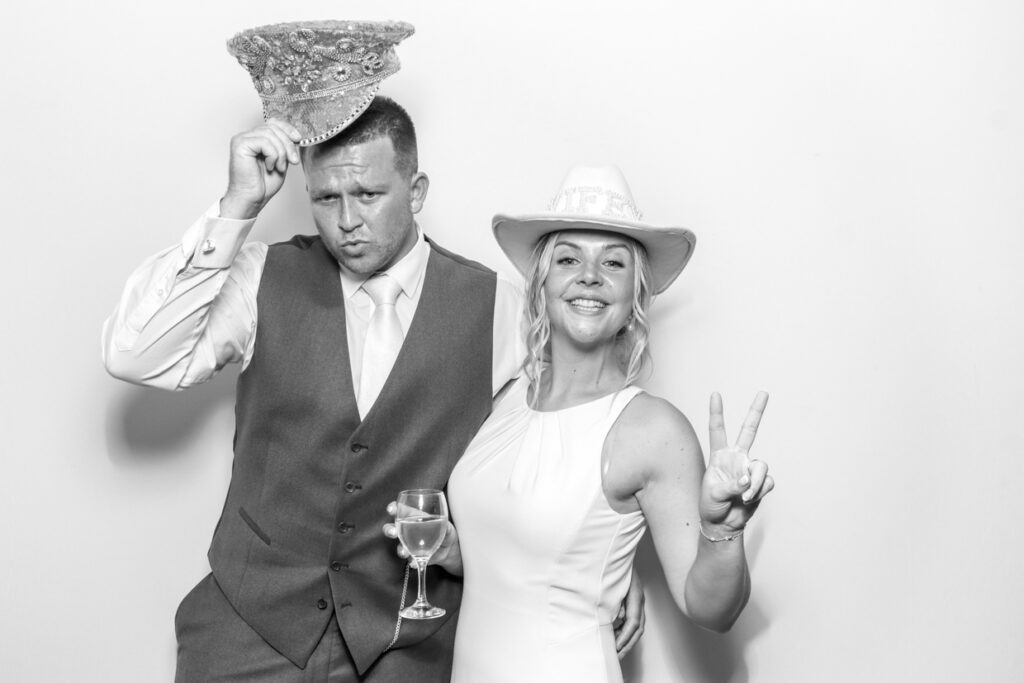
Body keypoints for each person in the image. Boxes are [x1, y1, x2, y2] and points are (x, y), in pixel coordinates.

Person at [102, 21, 643, 682]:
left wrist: (596, 569)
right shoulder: (256, 275)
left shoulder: (499, 305)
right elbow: (136, 354)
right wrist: (236, 206)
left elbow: (556, 440)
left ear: (416, 193)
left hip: (406, 642)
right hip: (248, 629)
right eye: (326, 198)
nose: (347, 220)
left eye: (368, 194)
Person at [444, 165, 774, 682]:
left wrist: (722, 531)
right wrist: (450, 551)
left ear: (635, 295)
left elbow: (712, 610)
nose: (589, 276)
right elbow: (517, 564)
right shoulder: (507, 395)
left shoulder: (651, 429)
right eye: (568, 258)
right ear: (542, 281)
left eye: (613, 263)